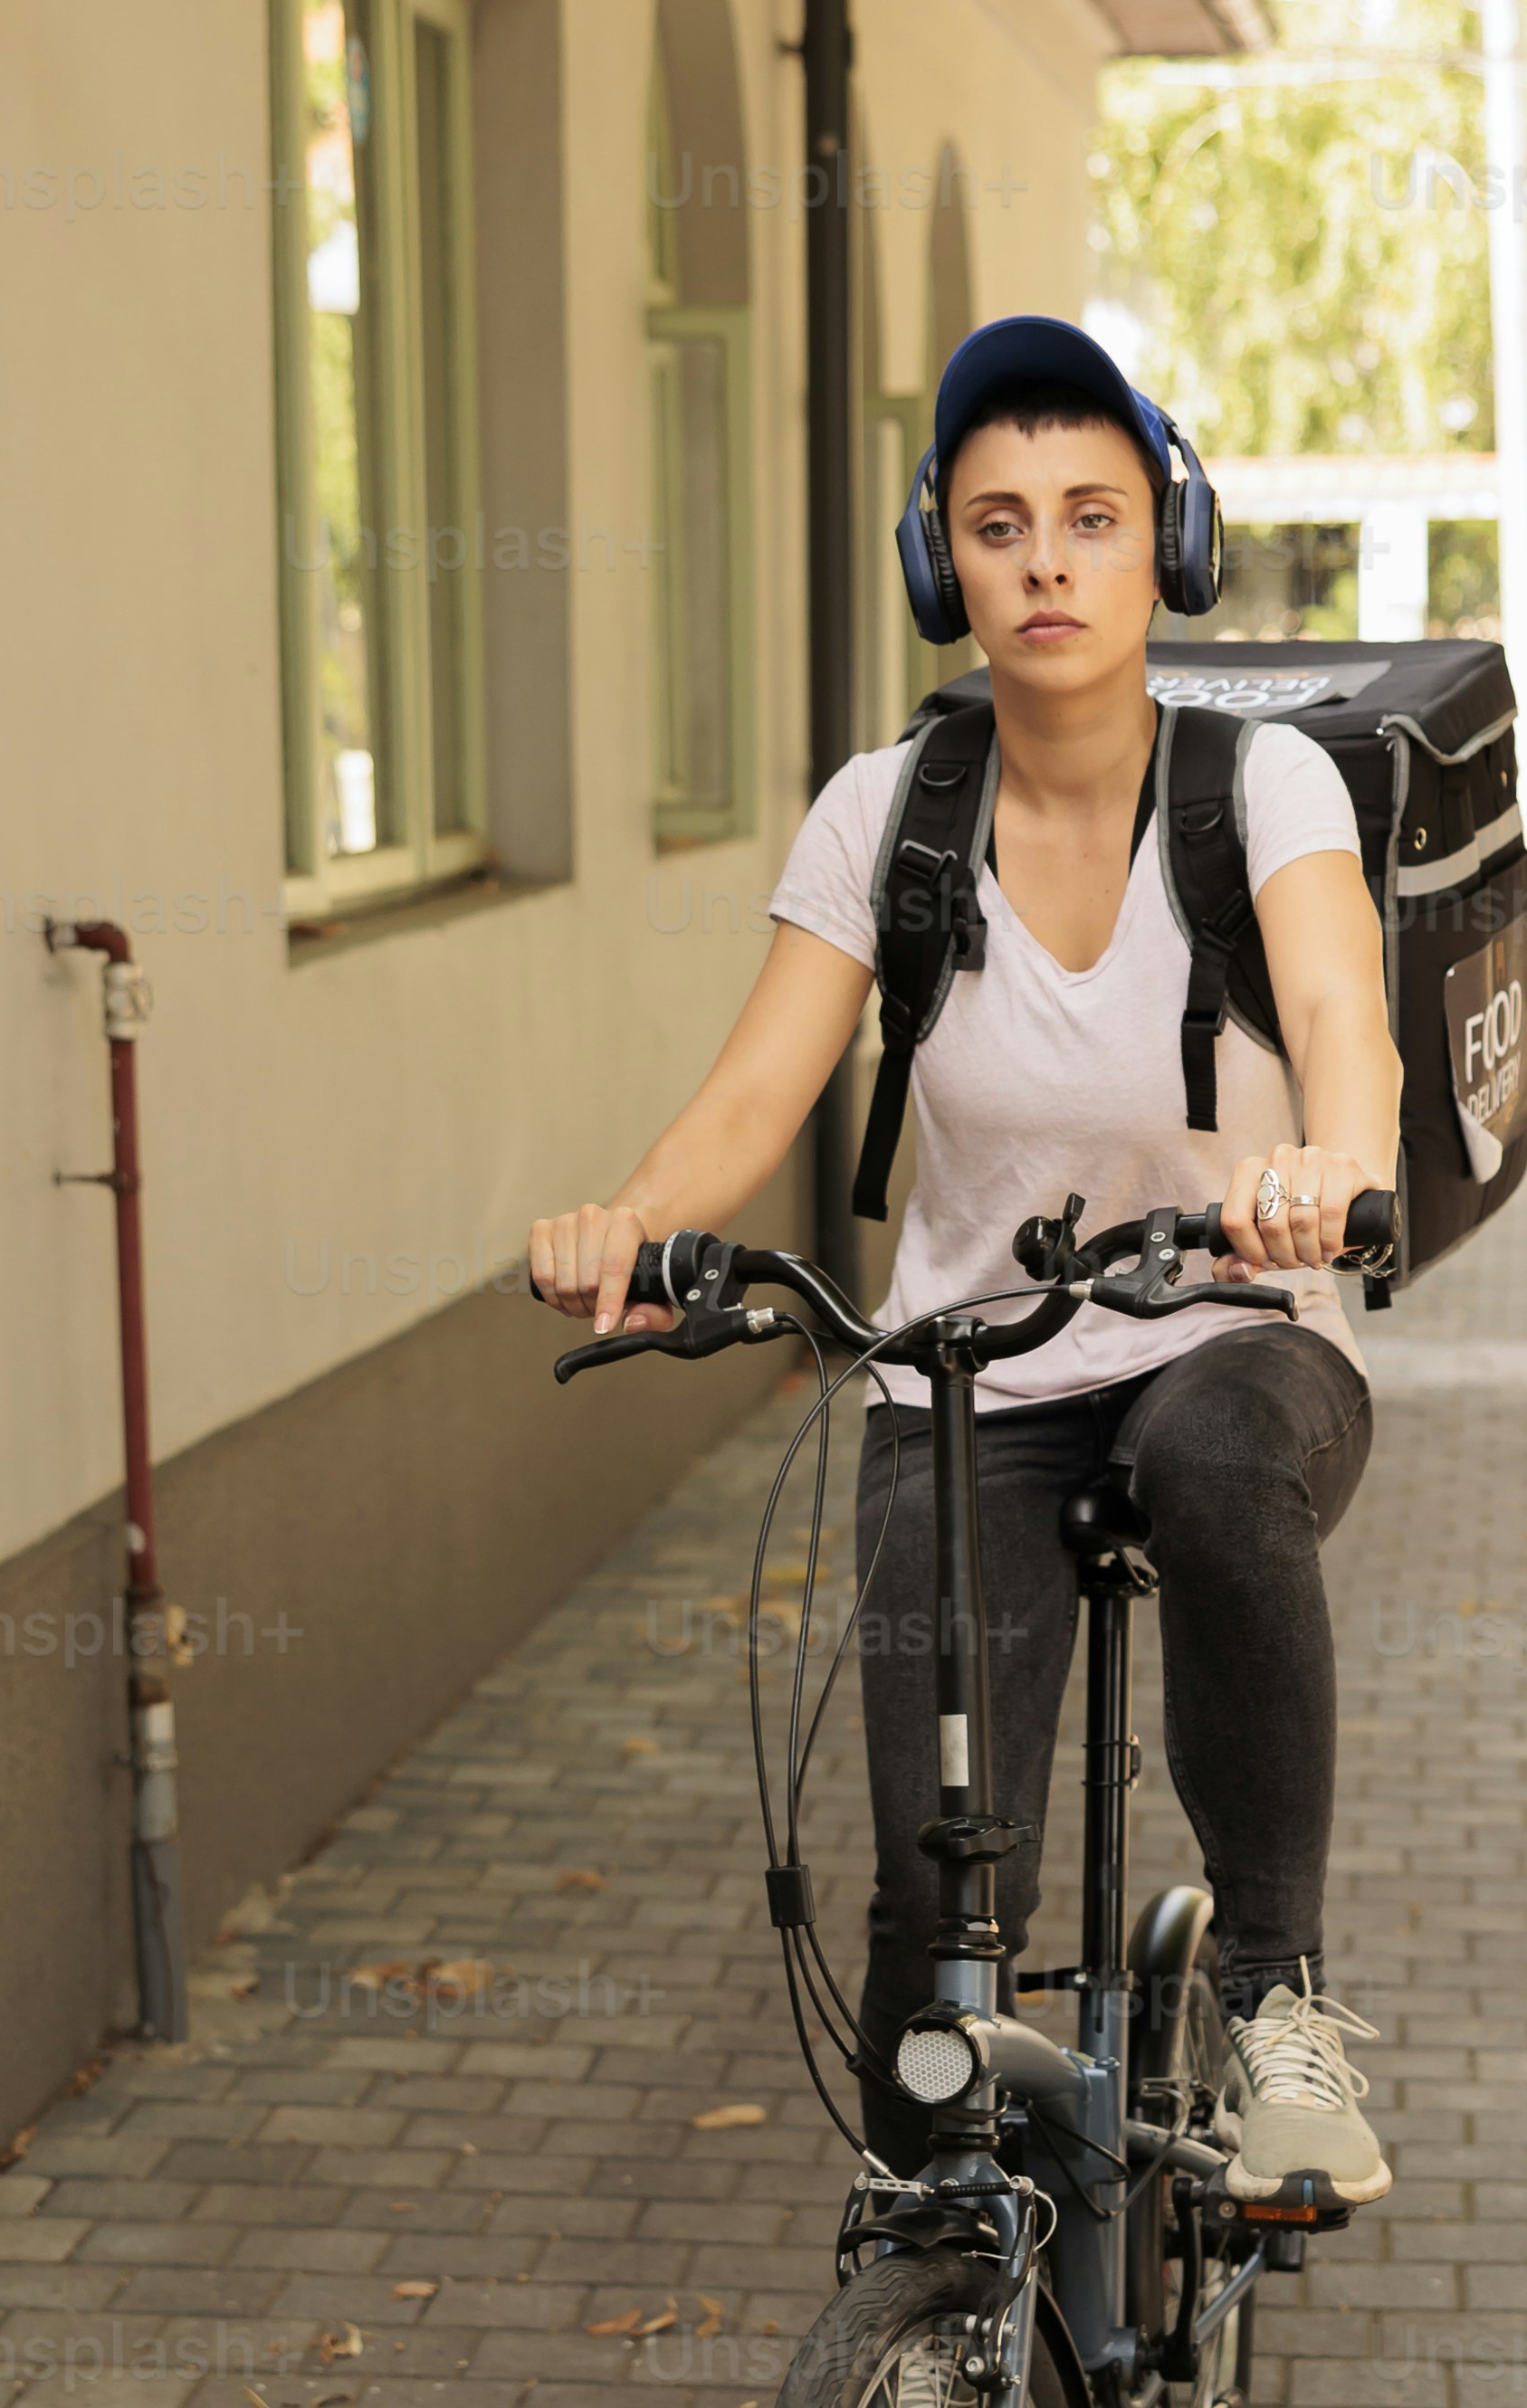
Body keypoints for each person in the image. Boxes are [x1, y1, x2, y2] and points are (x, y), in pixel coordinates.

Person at [530, 313, 1399, 2198]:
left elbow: (1345, 1014)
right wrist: (638, 1223)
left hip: (1227, 1331)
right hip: (968, 1369)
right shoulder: (885, 812)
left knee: (1213, 1465)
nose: (1044, 561)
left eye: (1089, 515)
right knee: (932, 1915)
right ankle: (945, 2309)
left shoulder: (1262, 793)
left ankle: (1273, 2008)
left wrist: (1329, 1165)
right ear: (944, 559)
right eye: (997, 522)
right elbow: (758, 1085)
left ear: (1160, 543)